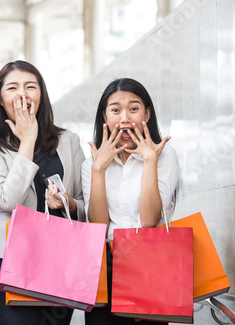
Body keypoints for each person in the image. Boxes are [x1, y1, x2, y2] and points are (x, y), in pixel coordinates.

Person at [0, 60, 86, 325]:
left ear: (42, 95)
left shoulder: (68, 140)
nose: (22, 94)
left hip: (60, 255)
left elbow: (87, 203)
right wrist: (27, 140)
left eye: (30, 86)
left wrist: (68, 203)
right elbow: (7, 200)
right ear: (1, 100)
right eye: (12, 87)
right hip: (11, 255)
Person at [82, 78, 179, 325]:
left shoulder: (163, 156)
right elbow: (98, 225)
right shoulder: (91, 164)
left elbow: (149, 221)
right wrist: (98, 170)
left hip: (149, 263)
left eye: (133, 109)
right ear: (104, 116)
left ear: (147, 113)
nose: (124, 118)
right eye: (115, 110)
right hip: (105, 265)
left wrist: (149, 161)